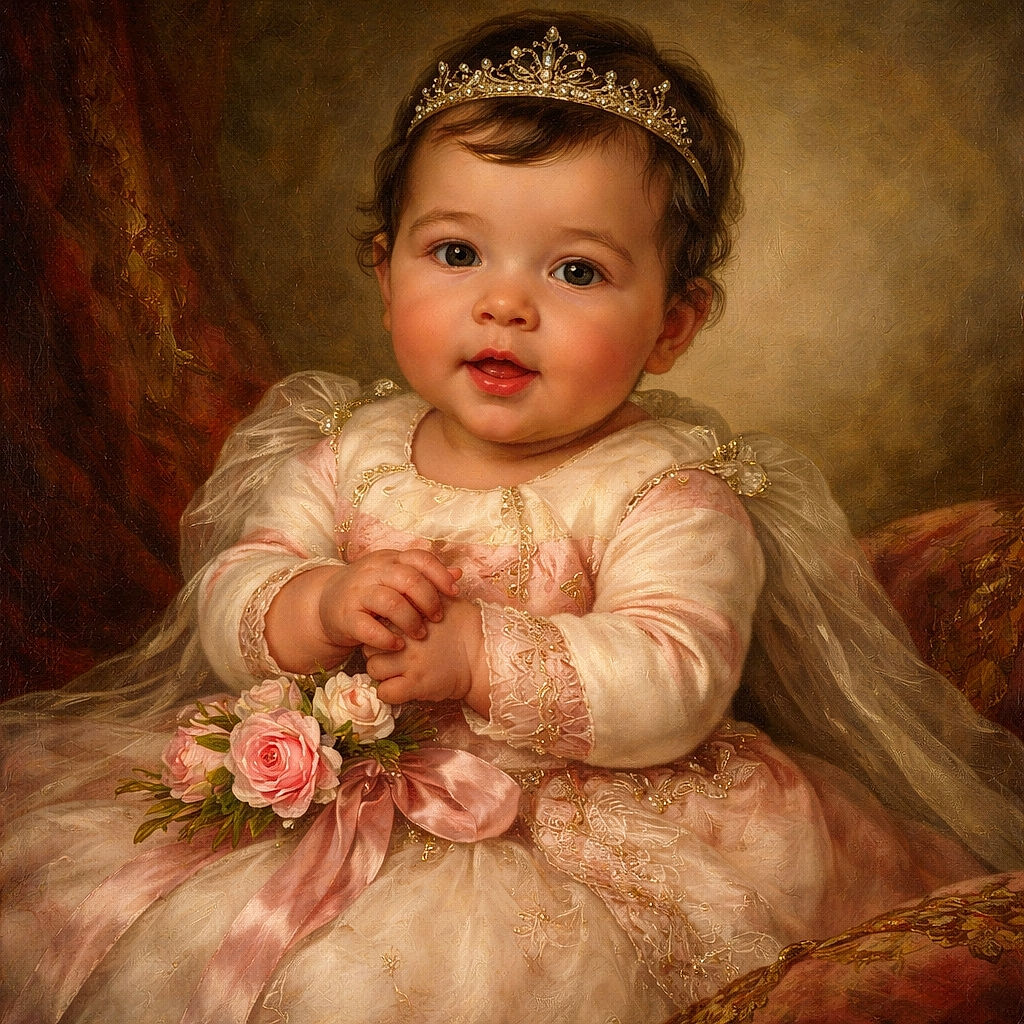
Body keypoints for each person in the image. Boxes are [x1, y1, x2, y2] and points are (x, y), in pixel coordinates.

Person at [3, 12, 1024, 1024]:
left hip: (576, 827)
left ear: (673, 324)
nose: (505, 305)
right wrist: (316, 602)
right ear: (382, 267)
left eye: (574, 271)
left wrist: (476, 654)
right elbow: (233, 586)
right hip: (338, 789)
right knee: (81, 902)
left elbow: (677, 676)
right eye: (455, 252)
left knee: (391, 990)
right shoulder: (347, 450)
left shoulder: (665, 488)